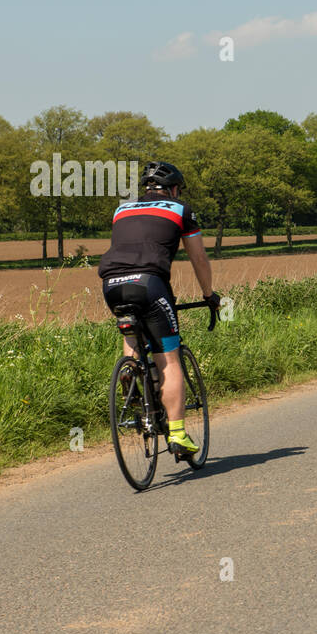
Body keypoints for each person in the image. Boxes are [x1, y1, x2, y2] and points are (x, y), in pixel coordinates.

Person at [97, 161, 219, 458]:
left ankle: (132, 373)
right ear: (174, 188)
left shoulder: (121, 210)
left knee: (133, 336)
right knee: (170, 359)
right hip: (149, 285)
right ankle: (177, 435)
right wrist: (208, 294)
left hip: (111, 284)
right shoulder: (181, 208)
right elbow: (199, 259)